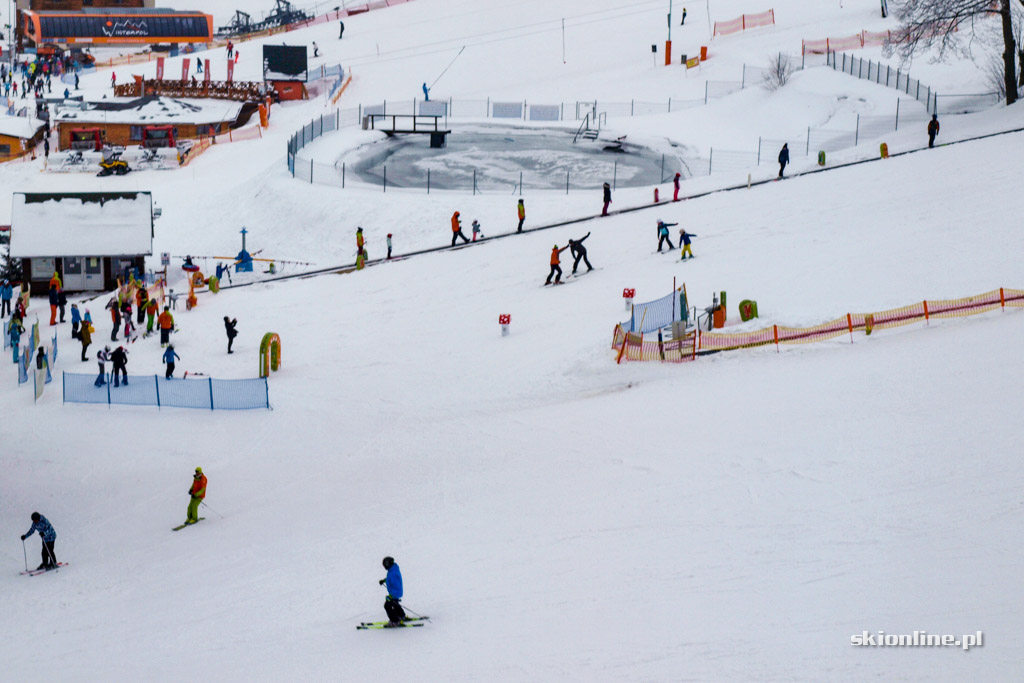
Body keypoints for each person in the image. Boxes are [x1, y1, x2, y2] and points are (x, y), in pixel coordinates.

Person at [379, 556, 406, 625]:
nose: (384, 567)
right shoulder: (392, 570)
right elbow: (390, 578)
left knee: (387, 606)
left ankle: (395, 621)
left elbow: (396, 586)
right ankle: (401, 616)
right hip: (395, 593)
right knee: (395, 603)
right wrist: (384, 580)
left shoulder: (393, 573)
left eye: (385, 565)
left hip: (395, 593)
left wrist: (391, 596)